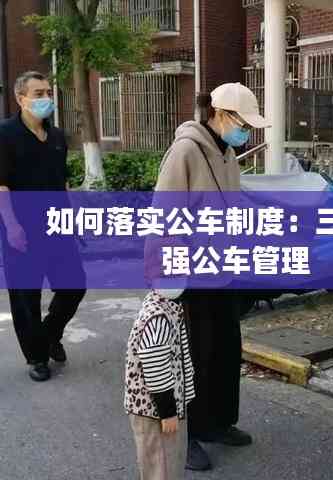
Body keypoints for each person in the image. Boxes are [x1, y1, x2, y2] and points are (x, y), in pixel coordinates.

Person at [151, 82, 270, 471]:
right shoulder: (185, 150)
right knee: (191, 357)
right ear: (220, 115)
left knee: (224, 349)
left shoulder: (228, 153)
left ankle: (217, 423)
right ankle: (185, 437)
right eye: (243, 123)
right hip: (191, 272)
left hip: (223, 268)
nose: (245, 131)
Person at [0, 71, 86, 382]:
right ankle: (37, 357)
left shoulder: (57, 137)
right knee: (26, 298)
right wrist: (12, 227)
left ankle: (50, 334)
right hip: (21, 231)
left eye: (48, 92)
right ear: (20, 98)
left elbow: (62, 182)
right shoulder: (5, 134)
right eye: (38, 93)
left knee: (74, 285)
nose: (46, 98)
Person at [125, 290, 195, 480]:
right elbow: (156, 367)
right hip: (154, 410)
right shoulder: (158, 317)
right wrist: (168, 412)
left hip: (164, 404)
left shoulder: (166, 306)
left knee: (167, 462)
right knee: (161, 466)